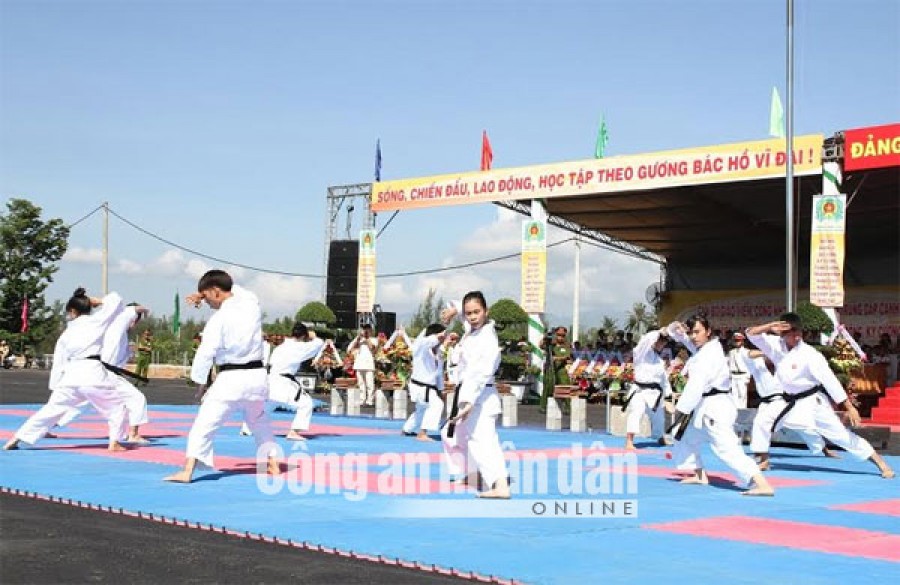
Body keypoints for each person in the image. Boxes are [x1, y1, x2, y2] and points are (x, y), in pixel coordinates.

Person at [746, 313, 894, 478]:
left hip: (811, 402)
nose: (796, 337)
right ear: (781, 333)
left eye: (798, 333)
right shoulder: (775, 344)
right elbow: (751, 333)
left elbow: (830, 381)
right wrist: (769, 325)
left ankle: (881, 464)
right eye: (791, 333)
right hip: (785, 400)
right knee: (762, 420)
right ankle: (763, 459)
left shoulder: (811, 355)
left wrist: (849, 407)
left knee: (841, 436)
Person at [164, 270, 278, 483]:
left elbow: (206, 353)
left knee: (204, 424)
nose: (206, 302)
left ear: (215, 292)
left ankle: (187, 471)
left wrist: (200, 383)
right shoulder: (251, 304)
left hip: (231, 380)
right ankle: (272, 463)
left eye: (207, 297)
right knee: (259, 421)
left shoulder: (219, 320)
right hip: (257, 378)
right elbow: (235, 289)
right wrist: (202, 293)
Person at [4, 288, 129, 451]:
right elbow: (116, 300)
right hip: (93, 374)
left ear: (72, 311)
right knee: (116, 408)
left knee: (50, 410)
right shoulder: (97, 321)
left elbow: (59, 361)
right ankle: (115, 442)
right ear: (88, 307)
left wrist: (56, 385)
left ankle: (18, 437)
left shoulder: (67, 332)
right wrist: (97, 301)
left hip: (70, 377)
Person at [666, 315, 775, 496]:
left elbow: (696, 386)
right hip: (707, 406)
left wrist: (679, 410)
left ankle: (761, 483)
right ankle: (699, 474)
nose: (693, 336)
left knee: (727, 448)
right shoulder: (706, 348)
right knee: (683, 435)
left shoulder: (706, 356)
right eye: (691, 332)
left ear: (708, 332)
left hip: (714, 409)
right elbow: (681, 338)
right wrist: (674, 327)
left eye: (697, 332)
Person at [440, 292, 509, 499]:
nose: (471, 316)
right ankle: (475, 474)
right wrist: (454, 309)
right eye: (468, 313)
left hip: (480, 394)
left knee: (483, 440)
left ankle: (500, 484)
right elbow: (462, 309)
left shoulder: (487, 338)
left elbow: (480, 372)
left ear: (486, 312)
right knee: (451, 433)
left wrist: (468, 402)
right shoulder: (472, 330)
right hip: (468, 390)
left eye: (476, 312)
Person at [742, 349, 836, 470]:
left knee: (804, 427)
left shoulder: (784, 364)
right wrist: (767, 351)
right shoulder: (756, 364)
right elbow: (748, 354)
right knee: (760, 424)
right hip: (766, 403)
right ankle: (762, 458)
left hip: (784, 401)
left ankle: (824, 450)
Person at [241, 323, 324, 441]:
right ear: (303, 336)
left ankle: (247, 428)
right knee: (306, 404)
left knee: (268, 405)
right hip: (283, 383)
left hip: (270, 380)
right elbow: (319, 343)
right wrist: (313, 335)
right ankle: (294, 432)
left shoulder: (281, 347)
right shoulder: (299, 347)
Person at [623, 328, 672, 450]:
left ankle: (660, 437)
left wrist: (668, 397)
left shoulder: (659, 361)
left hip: (654, 392)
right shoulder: (641, 353)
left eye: (664, 342)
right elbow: (645, 340)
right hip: (639, 390)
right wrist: (660, 332)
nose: (662, 344)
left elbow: (664, 380)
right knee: (636, 412)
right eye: (660, 341)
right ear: (654, 340)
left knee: (659, 417)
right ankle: (629, 441)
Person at [402, 323, 449, 442]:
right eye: (441, 335)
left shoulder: (438, 353)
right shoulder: (421, 347)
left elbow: (438, 374)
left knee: (422, 409)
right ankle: (422, 433)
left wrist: (441, 389)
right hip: (420, 385)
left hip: (429, 387)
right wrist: (437, 336)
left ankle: (407, 429)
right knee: (436, 405)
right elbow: (424, 341)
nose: (443, 338)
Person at [540, 326, 572, 413]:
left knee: (565, 386)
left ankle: (567, 407)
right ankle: (543, 406)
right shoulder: (551, 344)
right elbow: (541, 345)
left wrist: (557, 358)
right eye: (558, 335)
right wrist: (545, 337)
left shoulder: (567, 345)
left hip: (560, 368)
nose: (560, 337)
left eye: (562, 335)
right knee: (547, 386)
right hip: (550, 368)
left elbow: (567, 356)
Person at [347, 324, 378, 406]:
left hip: (368, 365)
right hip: (359, 364)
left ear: (371, 331)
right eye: (364, 330)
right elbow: (350, 349)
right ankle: (362, 399)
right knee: (361, 383)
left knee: (369, 383)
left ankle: (370, 400)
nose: (365, 332)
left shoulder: (373, 339)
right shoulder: (358, 339)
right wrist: (358, 338)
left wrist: (366, 338)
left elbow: (373, 348)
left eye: (367, 330)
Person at [727, 332, 752, 409]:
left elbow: (750, 365)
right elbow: (729, 364)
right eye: (735, 340)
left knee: (742, 396)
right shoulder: (731, 352)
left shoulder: (746, 351)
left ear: (742, 341)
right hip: (734, 375)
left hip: (742, 375)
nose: (737, 342)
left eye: (739, 340)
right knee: (734, 395)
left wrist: (748, 377)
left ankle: (742, 412)